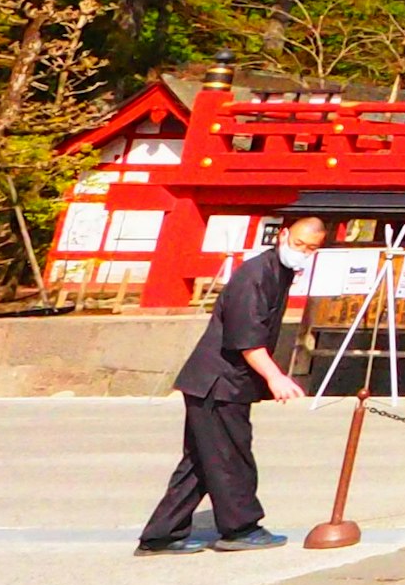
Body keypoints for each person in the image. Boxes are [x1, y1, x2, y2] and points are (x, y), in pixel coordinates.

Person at [138, 214, 323, 554]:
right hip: (217, 382)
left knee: (201, 461)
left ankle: (161, 534)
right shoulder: (255, 276)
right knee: (230, 457)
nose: (303, 253)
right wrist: (275, 377)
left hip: (224, 383)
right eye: (299, 244)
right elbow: (247, 340)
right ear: (283, 235)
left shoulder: (279, 273)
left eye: (311, 249)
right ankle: (240, 527)